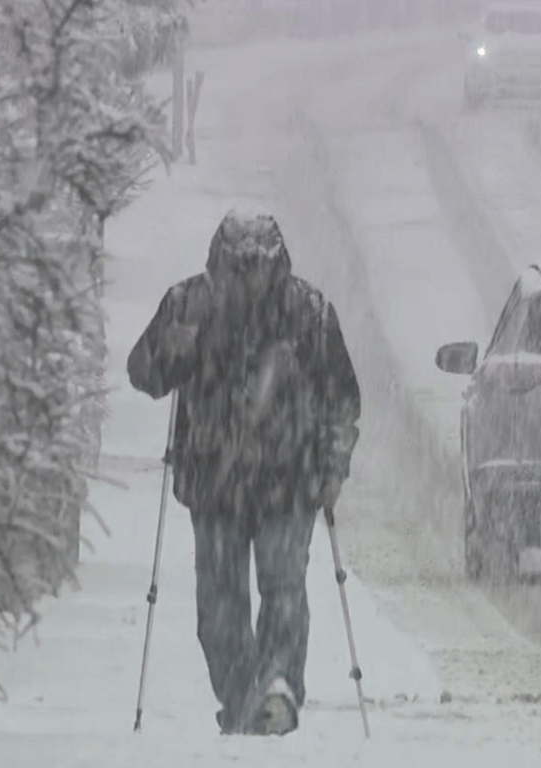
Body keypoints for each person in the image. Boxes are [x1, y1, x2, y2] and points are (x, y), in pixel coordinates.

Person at [126, 209, 361, 736]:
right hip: (216, 484)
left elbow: (340, 398)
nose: (248, 276)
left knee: (283, 589)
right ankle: (244, 700)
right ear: (220, 258)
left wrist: (333, 465)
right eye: (239, 264)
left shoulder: (309, 313)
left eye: (258, 264)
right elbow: (144, 374)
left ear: (277, 261)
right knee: (218, 607)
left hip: (289, 481)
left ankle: (276, 688)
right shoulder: (187, 305)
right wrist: (171, 347)